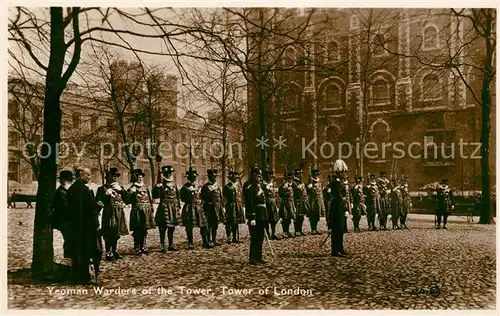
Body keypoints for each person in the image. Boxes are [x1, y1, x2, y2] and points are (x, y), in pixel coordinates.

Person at [67, 167, 102, 285]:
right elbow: (90, 210)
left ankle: (77, 276)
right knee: (86, 251)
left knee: (77, 251)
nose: (90, 177)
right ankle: (84, 276)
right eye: (88, 175)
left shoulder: (72, 189)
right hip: (87, 226)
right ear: (81, 175)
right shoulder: (86, 190)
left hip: (75, 225)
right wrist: (98, 207)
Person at [96, 167, 129, 261]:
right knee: (108, 233)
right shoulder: (102, 188)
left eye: (116, 176)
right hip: (109, 213)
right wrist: (105, 195)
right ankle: (108, 252)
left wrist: (122, 190)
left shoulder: (120, 188)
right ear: (108, 177)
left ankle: (114, 251)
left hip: (119, 212)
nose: (115, 178)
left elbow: (128, 199)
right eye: (113, 176)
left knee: (116, 233)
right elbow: (98, 201)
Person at [180, 167, 211, 249]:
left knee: (203, 225)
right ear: (188, 178)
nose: (193, 179)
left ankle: (205, 242)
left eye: (194, 178)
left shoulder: (197, 186)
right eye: (192, 178)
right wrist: (189, 199)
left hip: (198, 207)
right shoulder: (184, 187)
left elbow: (200, 196)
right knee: (189, 226)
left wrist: (201, 201)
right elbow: (182, 198)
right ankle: (190, 243)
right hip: (189, 208)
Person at [243, 166, 268, 265]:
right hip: (255, 215)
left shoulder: (260, 187)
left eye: (261, 176)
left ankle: (259, 257)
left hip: (262, 215)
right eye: (258, 176)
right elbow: (250, 204)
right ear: (253, 176)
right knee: (255, 237)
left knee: (260, 237)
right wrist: (252, 217)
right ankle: (252, 258)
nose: (260, 178)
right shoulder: (250, 189)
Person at [153, 165, 181, 252]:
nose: (169, 174)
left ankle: (171, 244)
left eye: (170, 173)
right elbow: (155, 195)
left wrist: (178, 205)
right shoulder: (161, 184)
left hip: (173, 207)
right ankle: (162, 245)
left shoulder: (174, 183)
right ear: (164, 174)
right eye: (167, 173)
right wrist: (157, 187)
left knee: (172, 227)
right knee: (162, 227)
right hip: (164, 207)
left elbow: (177, 195)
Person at [128, 169, 156, 255]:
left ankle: (143, 245)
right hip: (137, 212)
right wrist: (130, 192)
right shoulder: (132, 188)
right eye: (138, 178)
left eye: (141, 178)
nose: (140, 179)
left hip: (146, 211)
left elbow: (149, 199)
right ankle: (137, 246)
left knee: (144, 229)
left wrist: (151, 207)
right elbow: (127, 200)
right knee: (137, 230)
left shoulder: (145, 188)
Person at [328, 159, 350, 257]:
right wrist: (344, 204)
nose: (345, 174)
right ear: (339, 172)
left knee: (340, 229)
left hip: (339, 207)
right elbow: (338, 196)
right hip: (336, 208)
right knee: (336, 229)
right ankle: (335, 250)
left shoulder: (339, 181)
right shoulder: (336, 182)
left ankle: (340, 248)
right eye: (343, 172)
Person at [52, 170, 75, 259]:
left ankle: (70, 260)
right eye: (70, 180)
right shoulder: (61, 193)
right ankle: (68, 261)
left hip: (68, 221)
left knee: (70, 242)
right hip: (65, 222)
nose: (71, 182)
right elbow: (66, 209)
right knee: (69, 242)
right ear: (64, 181)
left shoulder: (66, 191)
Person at [201, 169, 225, 247]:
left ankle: (214, 240)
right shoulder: (205, 187)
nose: (214, 178)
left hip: (217, 208)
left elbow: (220, 197)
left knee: (215, 225)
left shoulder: (218, 187)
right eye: (212, 176)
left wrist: (222, 206)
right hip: (209, 208)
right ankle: (208, 240)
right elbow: (203, 197)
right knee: (208, 225)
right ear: (209, 177)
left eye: (215, 176)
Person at [223, 171, 245, 244]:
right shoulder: (227, 187)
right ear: (230, 179)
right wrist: (232, 187)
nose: (235, 179)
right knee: (229, 222)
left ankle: (235, 237)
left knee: (236, 222)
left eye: (236, 178)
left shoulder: (238, 186)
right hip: (230, 205)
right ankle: (229, 237)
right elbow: (225, 194)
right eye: (234, 178)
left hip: (237, 205)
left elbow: (240, 195)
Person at [292, 168, 311, 236]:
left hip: (302, 201)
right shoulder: (293, 183)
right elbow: (293, 193)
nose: (300, 175)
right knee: (297, 217)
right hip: (297, 201)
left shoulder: (301, 182)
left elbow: (305, 192)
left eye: (301, 174)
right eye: (299, 174)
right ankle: (297, 231)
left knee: (301, 217)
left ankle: (300, 230)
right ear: (296, 174)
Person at [263, 170, 281, 240]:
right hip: (267, 203)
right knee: (267, 219)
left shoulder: (273, 184)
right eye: (270, 177)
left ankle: (273, 233)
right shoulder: (264, 185)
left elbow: (275, 194)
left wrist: (277, 203)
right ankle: (268, 234)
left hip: (273, 203)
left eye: (272, 177)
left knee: (274, 220)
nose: (271, 178)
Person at [279, 171, 296, 238]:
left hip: (291, 203)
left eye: (291, 178)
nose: (290, 179)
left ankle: (288, 231)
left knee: (289, 218)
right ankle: (285, 231)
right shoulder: (283, 185)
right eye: (288, 178)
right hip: (285, 203)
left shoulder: (293, 185)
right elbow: (280, 194)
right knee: (285, 217)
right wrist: (285, 190)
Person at [307, 169, 325, 235]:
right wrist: (310, 187)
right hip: (313, 200)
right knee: (313, 215)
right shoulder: (310, 182)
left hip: (319, 200)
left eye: (317, 175)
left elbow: (321, 192)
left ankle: (315, 228)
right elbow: (309, 192)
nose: (316, 176)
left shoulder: (319, 182)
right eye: (315, 175)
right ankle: (313, 229)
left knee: (317, 215)